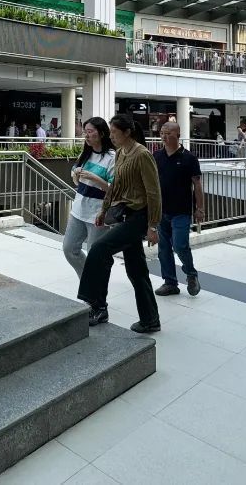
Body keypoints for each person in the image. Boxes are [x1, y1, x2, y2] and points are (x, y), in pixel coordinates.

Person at [77, 113, 162, 334]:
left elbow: (154, 193)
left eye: (114, 132)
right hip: (125, 214)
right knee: (137, 271)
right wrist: (104, 210)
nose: (111, 136)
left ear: (127, 132)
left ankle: (95, 303)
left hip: (139, 217)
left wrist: (153, 226)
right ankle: (150, 319)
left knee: (99, 249)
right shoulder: (121, 153)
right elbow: (115, 186)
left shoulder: (142, 155)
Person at [153, 121, 203, 296]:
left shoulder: (189, 158)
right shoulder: (156, 156)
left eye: (168, 134)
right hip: (161, 210)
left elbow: (197, 184)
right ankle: (170, 282)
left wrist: (200, 208)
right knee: (164, 248)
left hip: (181, 210)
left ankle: (191, 274)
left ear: (178, 135)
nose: (164, 137)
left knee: (180, 245)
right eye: (162, 133)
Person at [62, 117, 114, 278]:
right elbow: (74, 177)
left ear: (102, 133)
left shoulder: (112, 157)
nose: (86, 135)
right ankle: (87, 280)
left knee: (95, 254)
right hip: (78, 209)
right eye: (85, 132)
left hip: (98, 213)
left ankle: (94, 287)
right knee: (69, 249)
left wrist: (95, 178)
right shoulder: (85, 153)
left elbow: (114, 189)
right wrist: (76, 173)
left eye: (90, 132)